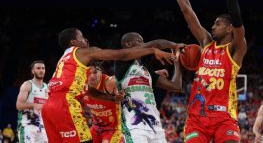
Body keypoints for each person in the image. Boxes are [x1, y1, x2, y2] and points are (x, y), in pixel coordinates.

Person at [41, 27, 177, 143]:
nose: (86, 40)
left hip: (48, 107)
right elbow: (120, 55)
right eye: (82, 37)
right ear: (74, 42)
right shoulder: (82, 52)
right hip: (65, 104)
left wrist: (112, 99)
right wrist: (152, 50)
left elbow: (90, 91)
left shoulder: (65, 59)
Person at [167, 0, 247, 143]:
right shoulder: (206, 44)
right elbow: (188, 12)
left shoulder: (236, 49)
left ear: (229, 29)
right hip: (197, 119)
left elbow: (237, 17)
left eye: (217, 24)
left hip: (224, 119)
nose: (212, 27)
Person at [115, 32, 183, 143]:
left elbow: (176, 86)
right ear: (128, 44)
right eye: (139, 40)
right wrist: (174, 45)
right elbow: (154, 44)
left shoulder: (147, 72)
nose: (143, 43)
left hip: (155, 127)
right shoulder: (121, 62)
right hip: (135, 126)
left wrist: (177, 60)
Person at [82, 60, 125, 143]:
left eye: (95, 72)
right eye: (88, 73)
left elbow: (126, 76)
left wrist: (122, 93)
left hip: (114, 129)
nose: (92, 76)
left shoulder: (109, 83)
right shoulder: (81, 84)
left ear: (101, 71)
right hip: (96, 128)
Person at [16, 60, 48, 143]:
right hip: (27, 126)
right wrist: (34, 105)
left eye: (43, 68)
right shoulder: (27, 85)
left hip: (42, 126)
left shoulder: (47, 88)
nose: (41, 70)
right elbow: (18, 105)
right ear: (33, 71)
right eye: (38, 68)